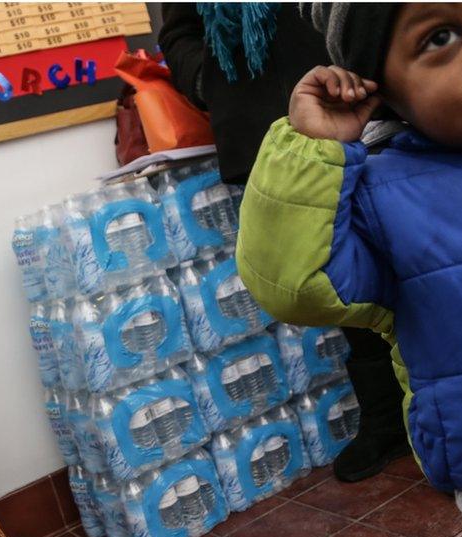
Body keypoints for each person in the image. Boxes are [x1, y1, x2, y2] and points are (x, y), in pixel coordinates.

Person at [237, 3, 462, 537]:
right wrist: (314, 148)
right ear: (380, 89)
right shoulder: (380, 199)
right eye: (440, 38)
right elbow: (294, 285)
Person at [159, 3, 409, 483]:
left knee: (408, 254)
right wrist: (209, 83)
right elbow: (180, 34)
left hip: (358, 95)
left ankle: (442, 405)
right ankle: (386, 421)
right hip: (266, 119)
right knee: (331, 273)